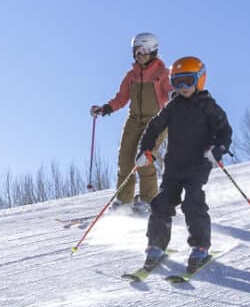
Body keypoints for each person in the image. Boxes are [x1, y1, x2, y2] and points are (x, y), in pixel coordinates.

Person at [136, 56, 232, 273]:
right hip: (174, 166)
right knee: (161, 202)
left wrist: (218, 149)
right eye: (177, 82)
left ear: (199, 80)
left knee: (192, 201)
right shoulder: (172, 107)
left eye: (188, 81)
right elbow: (154, 128)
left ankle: (200, 245)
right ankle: (156, 245)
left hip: (198, 164)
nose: (183, 87)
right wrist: (146, 149)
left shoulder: (208, 106)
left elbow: (225, 131)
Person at [91, 32, 175, 215]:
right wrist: (105, 108)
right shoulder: (131, 75)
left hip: (155, 121)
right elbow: (121, 98)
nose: (140, 54)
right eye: (137, 50)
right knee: (125, 160)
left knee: (144, 158)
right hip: (133, 120)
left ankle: (149, 200)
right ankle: (124, 200)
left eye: (144, 50)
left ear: (153, 51)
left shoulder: (162, 73)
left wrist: (175, 94)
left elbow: (170, 90)